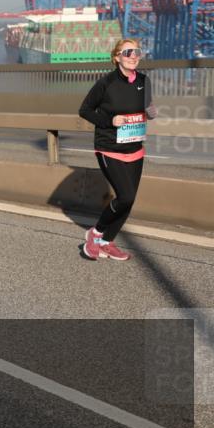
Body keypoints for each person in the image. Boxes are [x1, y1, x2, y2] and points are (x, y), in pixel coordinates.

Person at [77, 39, 156, 261]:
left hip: (135, 147)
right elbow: (84, 110)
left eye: (137, 51)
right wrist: (110, 120)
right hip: (109, 147)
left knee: (128, 201)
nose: (134, 55)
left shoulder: (144, 81)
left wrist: (150, 111)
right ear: (117, 57)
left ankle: (106, 243)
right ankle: (96, 232)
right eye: (128, 52)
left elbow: (146, 107)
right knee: (126, 195)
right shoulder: (106, 83)